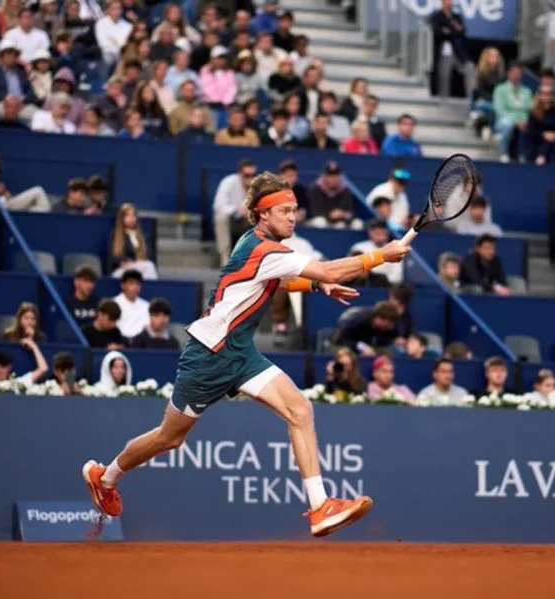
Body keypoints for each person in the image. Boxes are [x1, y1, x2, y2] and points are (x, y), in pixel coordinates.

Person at [82, 172, 411, 538]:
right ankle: (105, 477)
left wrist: (319, 286)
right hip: (209, 355)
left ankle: (320, 507)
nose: (293, 217)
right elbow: (329, 268)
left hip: (241, 352)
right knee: (170, 438)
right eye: (285, 211)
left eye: (295, 210)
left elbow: (280, 279)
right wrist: (381, 256)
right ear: (263, 214)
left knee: (300, 410)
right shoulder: (264, 249)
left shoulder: (258, 242)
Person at [213, 160, 256, 263]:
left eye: (253, 175)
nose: (250, 179)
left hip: (249, 222)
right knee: (220, 218)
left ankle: (254, 260)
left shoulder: (257, 186)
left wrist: (250, 212)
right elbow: (218, 206)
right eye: (247, 175)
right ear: (239, 174)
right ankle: (225, 259)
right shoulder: (228, 182)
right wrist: (237, 210)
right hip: (232, 222)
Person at [431, 0, 474, 98]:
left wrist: (449, 30)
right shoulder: (437, 16)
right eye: (448, 1)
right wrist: (453, 30)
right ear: (442, 2)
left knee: (470, 68)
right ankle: (443, 100)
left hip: (457, 52)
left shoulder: (456, 17)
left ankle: (471, 99)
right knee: (444, 75)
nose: (450, 3)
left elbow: (462, 31)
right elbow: (438, 32)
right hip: (443, 52)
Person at [330, 300, 402, 356]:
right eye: (388, 324)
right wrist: (362, 347)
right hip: (340, 346)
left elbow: (383, 339)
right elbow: (340, 339)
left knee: (388, 353)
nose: (390, 327)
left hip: (367, 348)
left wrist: (394, 340)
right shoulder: (357, 320)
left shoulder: (385, 327)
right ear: (380, 319)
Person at [110, 203, 159, 280]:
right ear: (121, 219)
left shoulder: (144, 237)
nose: (131, 219)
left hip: (141, 267)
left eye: (133, 216)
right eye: (127, 216)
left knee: (149, 266)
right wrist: (124, 262)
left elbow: (150, 257)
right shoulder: (114, 236)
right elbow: (112, 258)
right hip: (123, 269)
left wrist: (138, 262)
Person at [349, 219, 402, 284]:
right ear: (370, 233)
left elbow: (397, 275)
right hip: (361, 284)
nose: (379, 234)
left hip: (386, 285)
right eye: (376, 232)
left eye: (382, 231)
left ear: (387, 232)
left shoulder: (394, 249)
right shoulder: (359, 247)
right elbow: (350, 270)